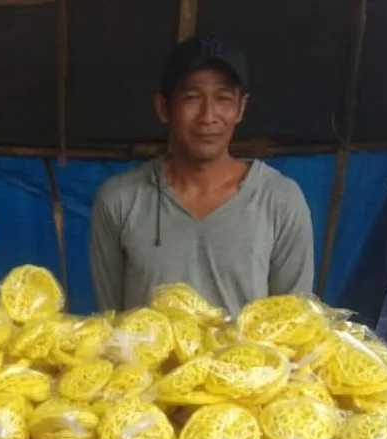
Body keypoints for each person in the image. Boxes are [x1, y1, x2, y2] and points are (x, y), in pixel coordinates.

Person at [89, 36, 314, 315]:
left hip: (250, 362)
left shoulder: (280, 200)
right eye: (192, 98)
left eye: (223, 99)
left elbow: (295, 327)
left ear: (241, 108)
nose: (208, 116)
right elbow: (111, 324)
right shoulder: (119, 200)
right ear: (163, 108)